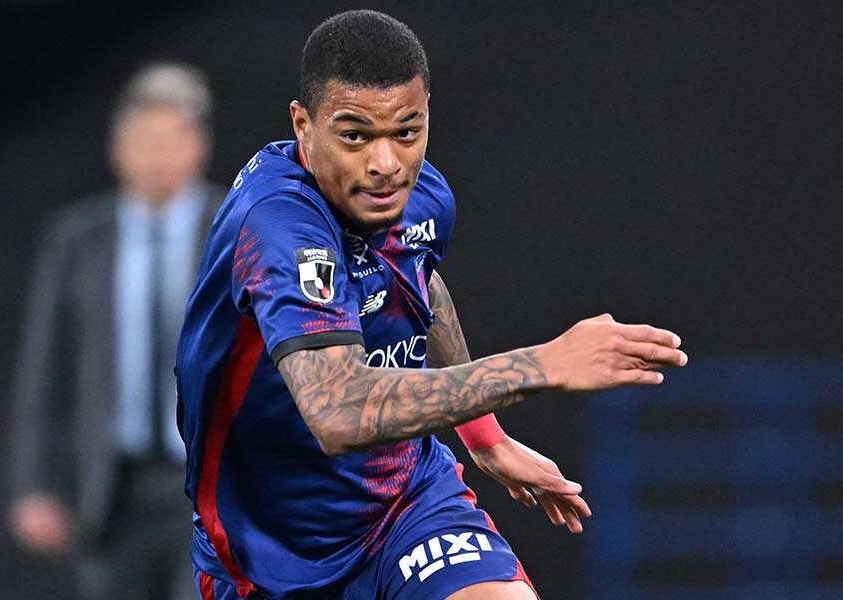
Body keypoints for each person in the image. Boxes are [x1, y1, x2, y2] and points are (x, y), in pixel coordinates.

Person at [175, 10, 687, 600]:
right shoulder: (277, 227)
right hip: (269, 556)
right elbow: (338, 410)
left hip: (405, 507)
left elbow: (417, 286)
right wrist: (542, 364)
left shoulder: (420, 196)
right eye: (355, 136)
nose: (385, 165)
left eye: (406, 132)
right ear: (303, 126)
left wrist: (484, 434)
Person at [9, 62, 226, 600]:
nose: (158, 156)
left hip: (209, 483)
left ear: (198, 145)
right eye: (144, 140)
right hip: (110, 492)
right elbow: (46, 368)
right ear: (117, 148)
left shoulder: (236, 228)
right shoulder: (77, 239)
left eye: (171, 139)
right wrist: (36, 484)